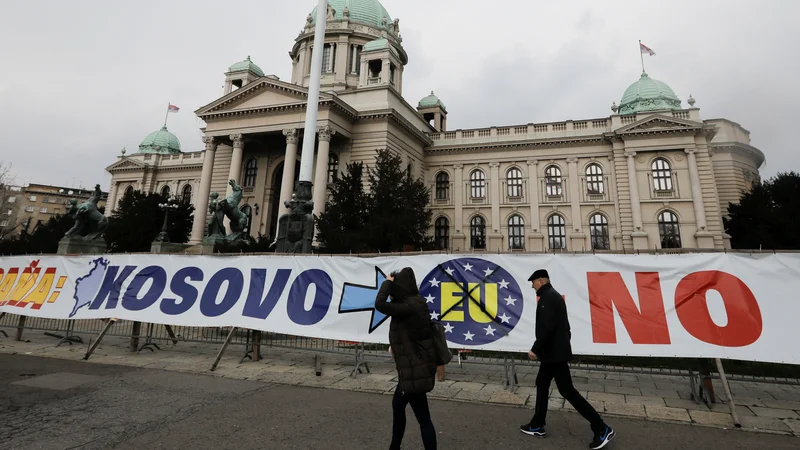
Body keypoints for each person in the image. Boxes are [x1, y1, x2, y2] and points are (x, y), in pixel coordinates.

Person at [520, 269, 615, 450]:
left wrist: (535, 349)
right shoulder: (554, 297)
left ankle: (601, 428)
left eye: (533, 282)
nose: (532, 286)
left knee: (568, 392)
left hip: (553, 356)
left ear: (540, 281)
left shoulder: (548, 298)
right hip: (553, 355)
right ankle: (537, 424)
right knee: (542, 383)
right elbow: (565, 327)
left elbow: (546, 328)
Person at [375, 267, 438, 450]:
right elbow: (409, 334)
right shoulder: (415, 302)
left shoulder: (409, 306)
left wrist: (387, 282)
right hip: (413, 368)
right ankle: (394, 447)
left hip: (413, 370)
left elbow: (380, 304)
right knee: (398, 405)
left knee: (423, 418)